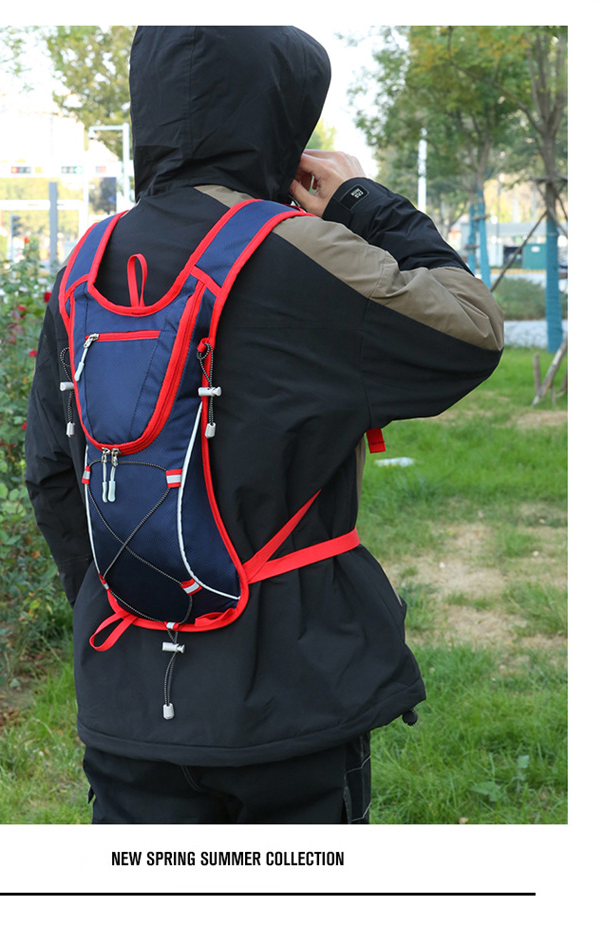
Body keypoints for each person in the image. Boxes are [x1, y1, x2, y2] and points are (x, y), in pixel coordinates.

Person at [25, 26, 503, 824]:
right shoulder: (305, 253)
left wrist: (131, 609)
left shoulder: (85, 264)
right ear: (279, 113)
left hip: (127, 695)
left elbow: (51, 475)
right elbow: (473, 330)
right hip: (291, 698)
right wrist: (361, 202)